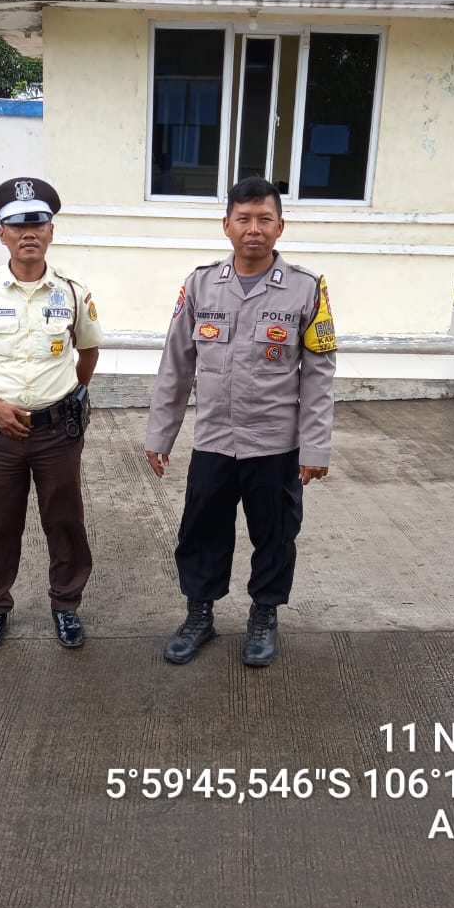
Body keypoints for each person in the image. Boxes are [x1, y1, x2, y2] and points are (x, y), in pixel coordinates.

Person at [144, 176, 337, 667]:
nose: (254, 228)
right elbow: (176, 365)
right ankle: (200, 615)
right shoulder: (200, 284)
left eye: (265, 219)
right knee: (201, 530)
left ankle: (263, 616)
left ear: (280, 226)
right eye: (244, 219)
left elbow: (318, 377)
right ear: (226, 225)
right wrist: (160, 435)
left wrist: (315, 447)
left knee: (275, 534)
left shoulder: (307, 289)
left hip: (275, 444)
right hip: (213, 439)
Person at [0, 177, 104, 653]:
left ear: (51, 231)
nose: (28, 233)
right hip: (1, 432)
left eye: (37, 223)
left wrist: (72, 395)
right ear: (2, 235)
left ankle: (66, 605)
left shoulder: (73, 292)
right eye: (17, 225)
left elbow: (88, 350)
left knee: (65, 521)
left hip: (58, 431)